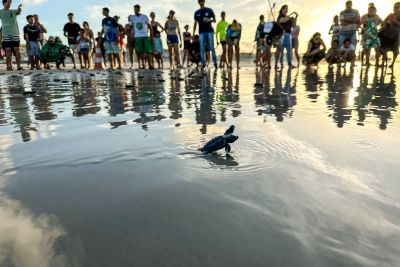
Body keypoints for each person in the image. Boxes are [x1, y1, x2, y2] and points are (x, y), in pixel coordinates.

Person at [193, 0, 218, 70]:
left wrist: (208, 20)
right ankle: (203, 64)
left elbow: (215, 20)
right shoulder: (196, 12)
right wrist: (193, 33)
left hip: (209, 31)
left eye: (202, 1)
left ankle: (215, 63)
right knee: (202, 49)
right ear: (198, 2)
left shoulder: (209, 10)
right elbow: (195, 23)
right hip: (201, 32)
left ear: (204, 1)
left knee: (212, 48)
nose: (201, 2)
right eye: (199, 1)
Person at [0, 0, 23, 70]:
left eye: (10, 2)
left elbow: (19, 12)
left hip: (15, 33)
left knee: (17, 50)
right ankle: (9, 66)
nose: (9, 3)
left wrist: (20, 8)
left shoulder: (14, 11)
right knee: (8, 50)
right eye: (8, 2)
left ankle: (19, 66)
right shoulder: (0, 12)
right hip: (6, 34)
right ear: (3, 3)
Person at [129, 4, 154, 69]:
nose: (135, 11)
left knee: (148, 51)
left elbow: (150, 26)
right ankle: (143, 65)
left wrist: (151, 35)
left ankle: (150, 65)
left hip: (145, 36)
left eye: (137, 9)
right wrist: (130, 37)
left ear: (139, 9)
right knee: (140, 52)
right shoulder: (132, 17)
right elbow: (131, 27)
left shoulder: (144, 16)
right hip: (137, 37)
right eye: (134, 9)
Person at [379, 2, 400, 68]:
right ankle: (383, 62)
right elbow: (383, 22)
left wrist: (394, 21)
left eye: (398, 7)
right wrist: (384, 24)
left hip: (397, 33)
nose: (396, 8)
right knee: (384, 47)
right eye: (395, 7)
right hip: (389, 33)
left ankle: (392, 63)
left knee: (395, 49)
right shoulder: (391, 14)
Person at [277, 5, 297, 69]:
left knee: (289, 51)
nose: (287, 10)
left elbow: (293, 26)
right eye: (286, 8)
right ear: (282, 9)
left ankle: (289, 64)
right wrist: (289, 16)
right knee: (281, 51)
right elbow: (282, 21)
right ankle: (281, 64)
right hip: (282, 35)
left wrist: (296, 17)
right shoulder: (280, 16)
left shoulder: (288, 17)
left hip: (288, 35)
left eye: (287, 9)